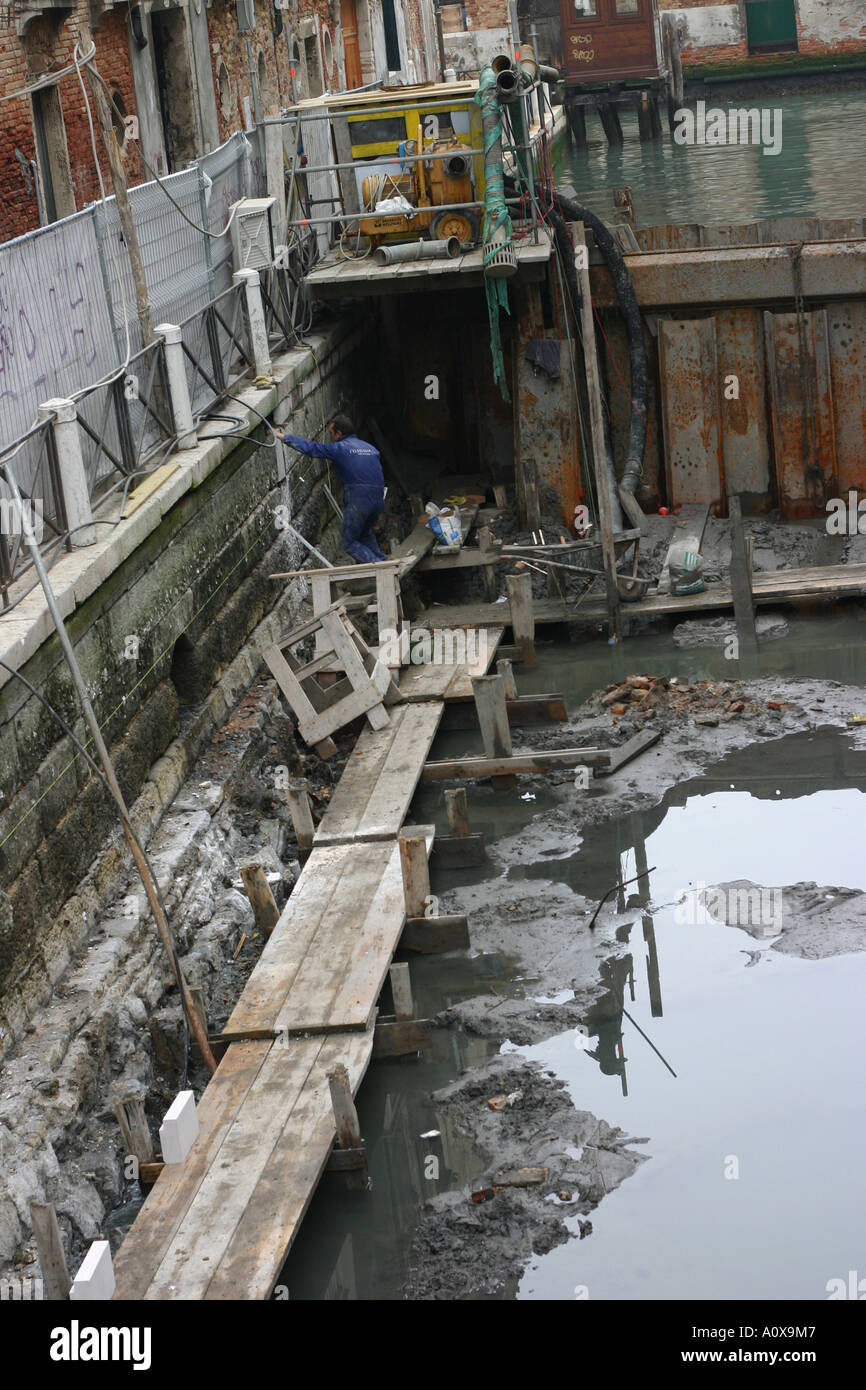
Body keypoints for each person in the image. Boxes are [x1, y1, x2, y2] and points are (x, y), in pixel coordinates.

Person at [275, 414, 388, 564]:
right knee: (364, 534)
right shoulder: (371, 448)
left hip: (358, 498)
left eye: (330, 433)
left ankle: (378, 566)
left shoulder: (339, 448)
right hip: (379, 496)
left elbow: (311, 448)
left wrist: (282, 436)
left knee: (349, 543)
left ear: (339, 433)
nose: (330, 436)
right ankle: (383, 561)